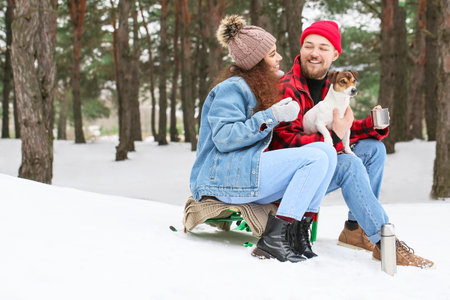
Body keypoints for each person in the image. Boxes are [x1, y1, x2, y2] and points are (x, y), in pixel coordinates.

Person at [270, 20, 434, 268]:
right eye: (308, 46)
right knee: (347, 163)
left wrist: (371, 125)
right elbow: (285, 143)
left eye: (323, 47)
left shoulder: (336, 85)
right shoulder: (286, 87)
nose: (314, 53)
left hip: (322, 163)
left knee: (373, 149)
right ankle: (385, 242)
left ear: (335, 54)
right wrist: (334, 137)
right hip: (292, 178)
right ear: (300, 49)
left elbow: (343, 128)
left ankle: (355, 230)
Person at [189, 15, 337, 263]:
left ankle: (298, 232)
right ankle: (273, 240)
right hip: (221, 178)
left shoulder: (259, 87)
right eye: (272, 54)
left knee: (326, 151)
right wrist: (272, 116)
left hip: (242, 173)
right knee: (314, 157)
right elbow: (225, 137)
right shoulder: (231, 89)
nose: (279, 58)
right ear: (256, 62)